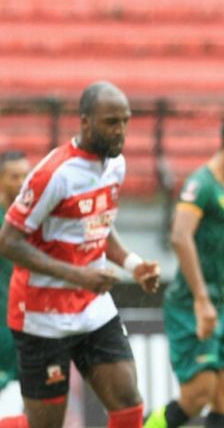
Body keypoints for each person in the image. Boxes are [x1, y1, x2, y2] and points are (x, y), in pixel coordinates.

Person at [0, 81, 160, 428]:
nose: (120, 132)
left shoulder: (115, 167)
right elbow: (8, 241)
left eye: (125, 122)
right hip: (42, 314)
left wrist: (133, 264)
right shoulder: (53, 175)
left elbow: (98, 227)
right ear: (85, 122)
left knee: (128, 403)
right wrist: (79, 275)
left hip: (92, 307)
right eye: (111, 122)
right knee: (44, 424)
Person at [144, 111, 224, 428]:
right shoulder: (202, 183)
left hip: (221, 302)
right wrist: (201, 299)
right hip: (191, 303)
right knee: (197, 396)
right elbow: (180, 237)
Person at [0, 152, 31, 401]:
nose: (22, 182)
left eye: (25, 176)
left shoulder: (36, 220)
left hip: (30, 325)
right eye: (14, 176)